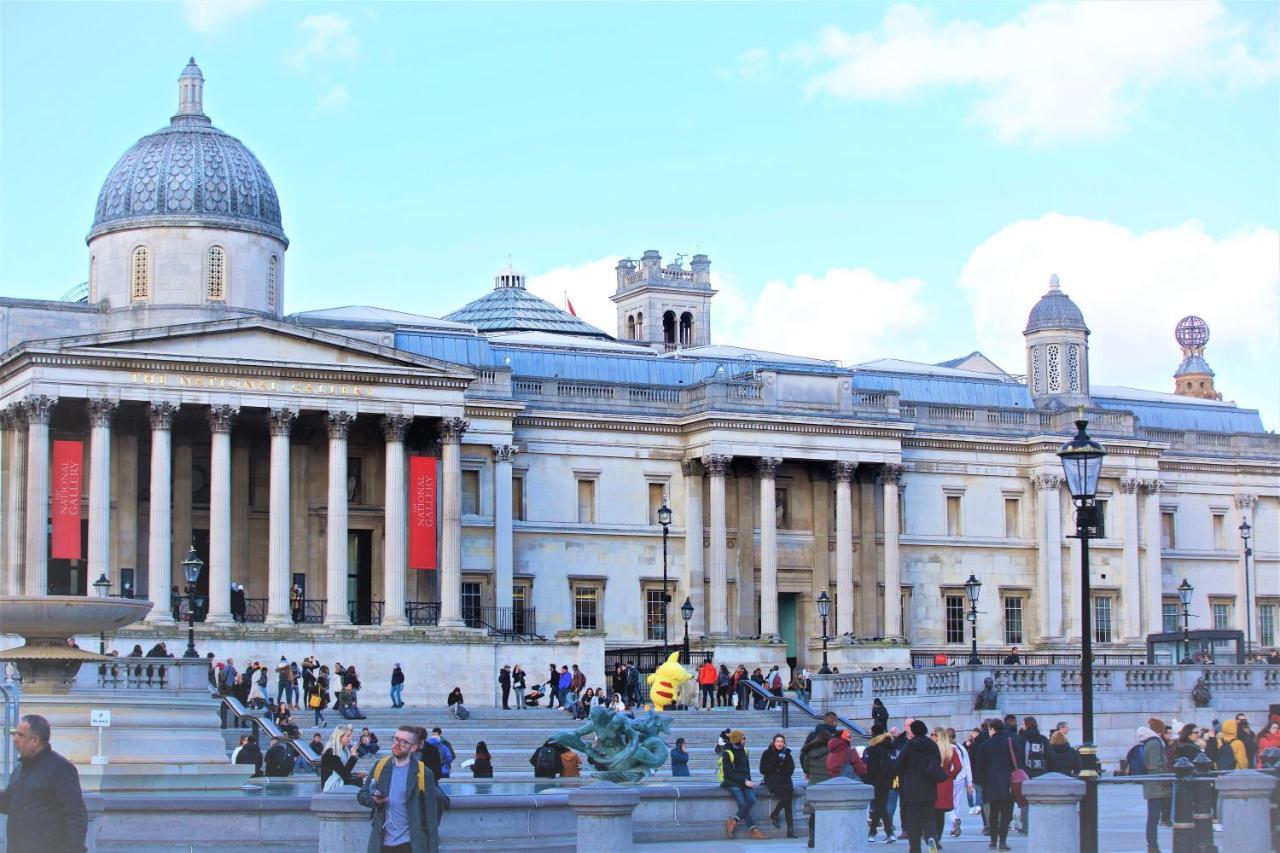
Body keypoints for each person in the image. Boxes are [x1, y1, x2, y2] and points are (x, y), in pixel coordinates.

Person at [0, 714, 88, 853]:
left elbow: (75, 815)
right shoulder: (20, 769)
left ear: (35, 740)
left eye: (21, 735)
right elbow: (7, 804)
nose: (15, 739)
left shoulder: (60, 768)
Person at [357, 725, 443, 853]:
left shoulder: (424, 773)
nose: (397, 744)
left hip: (410, 845)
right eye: (396, 739)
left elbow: (431, 819)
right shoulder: (380, 766)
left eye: (403, 742)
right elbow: (362, 795)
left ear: (413, 747)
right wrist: (374, 800)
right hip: (380, 845)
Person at [894, 719, 943, 853]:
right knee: (929, 817)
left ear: (913, 731)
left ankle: (915, 848)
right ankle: (931, 838)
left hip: (911, 789)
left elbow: (898, 765)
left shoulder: (909, 746)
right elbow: (938, 763)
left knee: (913, 821)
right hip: (929, 787)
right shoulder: (932, 745)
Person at [977, 719, 1019, 851]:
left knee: (993, 813)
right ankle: (1003, 841)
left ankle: (993, 841)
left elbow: (980, 766)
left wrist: (979, 781)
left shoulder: (985, 745)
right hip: (1009, 784)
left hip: (991, 784)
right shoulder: (1012, 742)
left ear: (992, 729)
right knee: (1006, 814)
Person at [719, 730, 765, 840]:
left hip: (744, 781)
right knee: (742, 803)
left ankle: (733, 821)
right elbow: (728, 774)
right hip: (732, 782)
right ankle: (753, 830)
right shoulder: (727, 752)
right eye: (743, 738)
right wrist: (744, 781)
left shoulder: (745, 750)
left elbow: (747, 768)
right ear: (738, 740)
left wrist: (749, 780)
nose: (745, 740)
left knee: (752, 799)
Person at [800, 715, 837, 848]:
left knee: (813, 815)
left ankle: (812, 838)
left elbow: (805, 767)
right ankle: (826, 837)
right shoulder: (832, 753)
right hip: (827, 786)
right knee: (828, 814)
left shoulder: (810, 752)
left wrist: (808, 773)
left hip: (813, 785)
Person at [1139, 720, 1171, 853]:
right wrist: (1164, 780)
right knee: (1153, 816)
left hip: (1155, 784)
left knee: (1153, 816)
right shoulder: (1154, 743)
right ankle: (1152, 846)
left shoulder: (1151, 742)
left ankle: (1152, 845)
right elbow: (1154, 765)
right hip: (1156, 785)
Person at [863, 724, 899, 843]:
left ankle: (887, 832)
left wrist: (866, 780)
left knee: (880, 806)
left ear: (874, 734)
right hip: (888, 780)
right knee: (879, 806)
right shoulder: (890, 746)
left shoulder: (874, 749)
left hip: (876, 781)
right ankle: (873, 832)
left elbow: (870, 768)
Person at [760, 733, 798, 838]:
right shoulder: (767, 753)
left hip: (786, 781)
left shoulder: (787, 754)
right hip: (773, 781)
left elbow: (791, 768)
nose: (779, 743)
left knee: (788, 805)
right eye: (777, 741)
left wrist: (781, 770)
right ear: (774, 742)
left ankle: (790, 830)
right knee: (785, 798)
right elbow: (763, 770)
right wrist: (776, 763)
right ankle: (774, 813)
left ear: (784, 743)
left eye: (781, 741)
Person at [931, 727, 963, 846]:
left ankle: (932, 836)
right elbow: (958, 766)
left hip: (934, 782)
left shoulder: (933, 749)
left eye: (933, 734)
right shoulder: (950, 750)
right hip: (946, 782)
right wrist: (951, 775)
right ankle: (938, 838)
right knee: (940, 814)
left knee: (932, 812)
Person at [1016, 716, 1049, 833]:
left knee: (1025, 800)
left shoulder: (1021, 739)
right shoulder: (1043, 739)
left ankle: (1026, 826)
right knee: (1040, 799)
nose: (1022, 726)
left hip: (1025, 773)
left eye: (1023, 724)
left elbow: (1018, 757)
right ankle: (1040, 825)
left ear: (1026, 725)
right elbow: (1049, 756)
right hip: (1041, 773)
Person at [945, 727, 974, 838]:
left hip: (950, 777)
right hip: (961, 778)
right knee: (956, 803)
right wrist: (969, 782)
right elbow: (967, 766)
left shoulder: (947, 748)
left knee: (948, 802)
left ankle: (955, 820)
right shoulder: (961, 748)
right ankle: (954, 826)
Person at [321, 725, 364, 790]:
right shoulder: (331, 752)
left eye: (350, 735)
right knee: (357, 781)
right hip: (331, 784)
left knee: (360, 779)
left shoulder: (343, 750)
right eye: (348, 736)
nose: (350, 738)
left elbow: (344, 771)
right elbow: (344, 774)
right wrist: (352, 757)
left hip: (340, 778)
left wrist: (356, 774)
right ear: (340, 737)